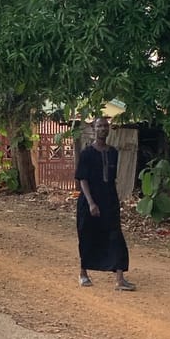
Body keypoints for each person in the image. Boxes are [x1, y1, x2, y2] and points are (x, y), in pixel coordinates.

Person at [75, 117, 136, 290]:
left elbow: (111, 179)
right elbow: (83, 179)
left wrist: (115, 200)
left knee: (116, 237)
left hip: (109, 200)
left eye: (105, 126)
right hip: (89, 201)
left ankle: (120, 279)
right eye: (99, 126)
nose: (103, 129)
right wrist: (91, 203)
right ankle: (83, 273)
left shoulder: (113, 152)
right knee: (87, 236)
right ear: (94, 129)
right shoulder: (87, 153)